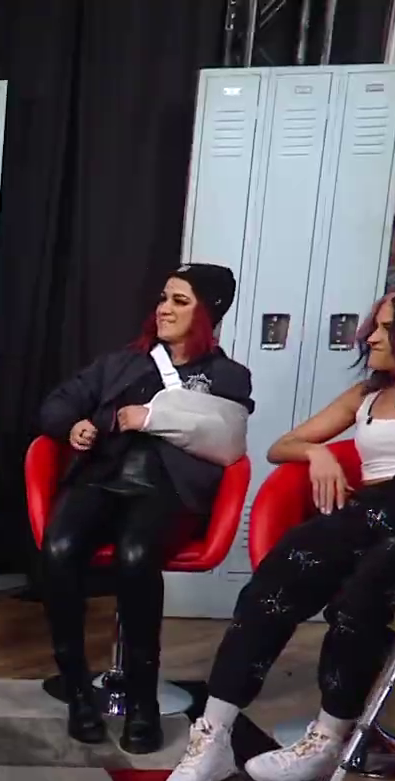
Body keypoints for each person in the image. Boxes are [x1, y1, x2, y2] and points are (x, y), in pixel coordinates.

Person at [166, 284, 395, 781]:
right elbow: (283, 446)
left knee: (359, 602)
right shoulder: (367, 395)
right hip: (367, 509)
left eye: (386, 328)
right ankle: (214, 736)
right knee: (272, 583)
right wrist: (318, 454)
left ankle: (326, 738)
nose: (370, 337)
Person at [36, 264, 254, 753]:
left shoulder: (228, 376)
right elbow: (56, 404)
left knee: (136, 556)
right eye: (163, 298)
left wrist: (154, 418)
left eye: (180, 301)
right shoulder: (120, 363)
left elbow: (226, 441)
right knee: (59, 548)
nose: (164, 309)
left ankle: (142, 704)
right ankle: (78, 694)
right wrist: (72, 426)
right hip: (102, 480)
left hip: (168, 490)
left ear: (209, 311)